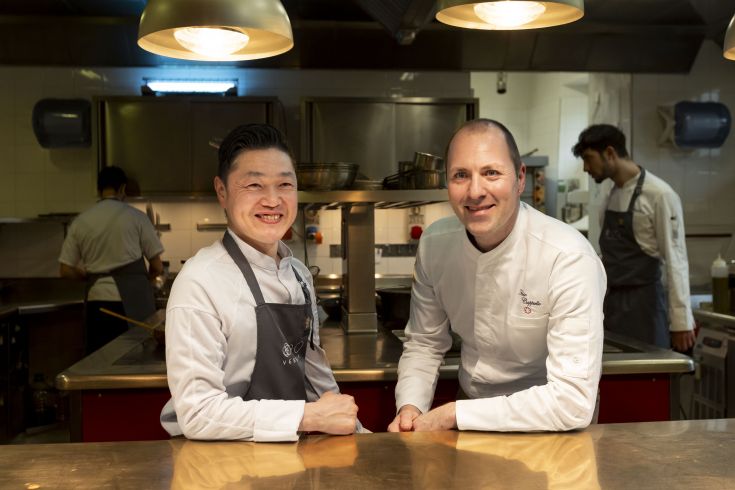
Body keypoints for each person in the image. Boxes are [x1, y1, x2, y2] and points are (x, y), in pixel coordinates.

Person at [388, 119, 606, 433]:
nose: (475, 191)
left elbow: (572, 401)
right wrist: (410, 406)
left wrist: (453, 415)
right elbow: (425, 343)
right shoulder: (435, 245)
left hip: (551, 420)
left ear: (520, 179)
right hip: (471, 404)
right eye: (461, 175)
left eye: (491, 173)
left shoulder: (568, 256)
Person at [160, 123, 359, 441]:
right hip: (220, 467)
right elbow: (197, 414)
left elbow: (313, 372)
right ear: (222, 192)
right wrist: (308, 416)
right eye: (254, 185)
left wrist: (356, 430)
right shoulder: (200, 282)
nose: (272, 200)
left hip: (290, 457)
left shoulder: (299, 275)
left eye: (284, 184)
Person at [572, 124, 696, 352]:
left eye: (589, 159)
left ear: (610, 153)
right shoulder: (609, 197)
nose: (586, 168)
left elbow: (676, 261)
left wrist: (681, 322)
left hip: (645, 307)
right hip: (611, 306)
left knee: (650, 379)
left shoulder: (660, 195)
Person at [59, 166, 164, 355]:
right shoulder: (137, 218)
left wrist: (88, 276)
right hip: (133, 304)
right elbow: (157, 266)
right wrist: (142, 281)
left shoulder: (81, 221)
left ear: (99, 190)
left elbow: (65, 270)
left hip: (97, 302)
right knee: (137, 360)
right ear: (122, 188)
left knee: (99, 362)